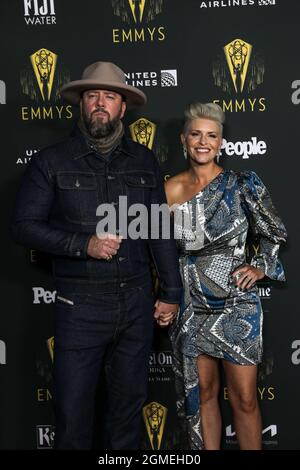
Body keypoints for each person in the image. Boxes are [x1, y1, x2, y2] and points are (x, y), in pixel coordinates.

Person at [11, 61, 182, 450]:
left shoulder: (144, 161)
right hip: (80, 308)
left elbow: (159, 231)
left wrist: (171, 292)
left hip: (137, 305)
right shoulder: (51, 161)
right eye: (93, 96)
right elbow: (23, 226)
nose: (100, 103)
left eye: (110, 96)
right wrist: (83, 243)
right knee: (73, 418)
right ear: (81, 104)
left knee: (126, 418)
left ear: (123, 108)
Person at [164, 102, 287, 450]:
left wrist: (260, 265)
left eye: (211, 136)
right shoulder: (168, 190)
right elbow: (158, 249)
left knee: (245, 398)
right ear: (183, 140)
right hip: (190, 306)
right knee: (204, 395)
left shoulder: (242, 185)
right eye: (196, 134)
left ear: (220, 144)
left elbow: (274, 232)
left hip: (236, 304)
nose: (203, 142)